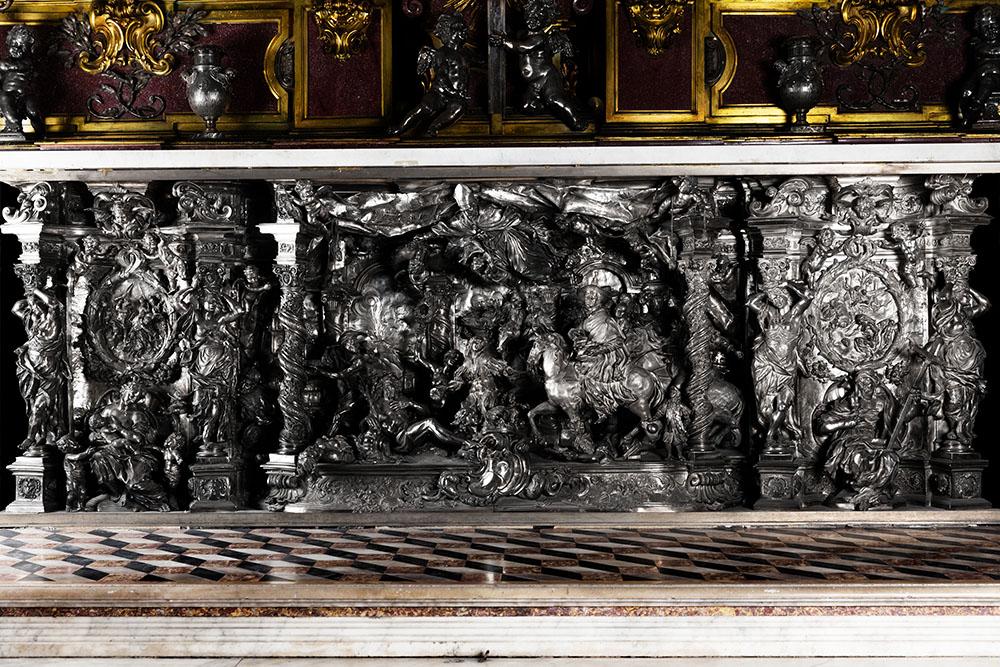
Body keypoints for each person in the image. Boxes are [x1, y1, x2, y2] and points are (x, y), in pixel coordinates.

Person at [489, 0, 587, 131]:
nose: (532, 18)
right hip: (534, 83)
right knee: (526, 106)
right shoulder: (521, 34)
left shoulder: (539, 38)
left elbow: (522, 47)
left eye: (538, 16)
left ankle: (576, 119)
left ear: (545, 19)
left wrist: (504, 41)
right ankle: (549, 108)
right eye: (529, 14)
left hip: (546, 77)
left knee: (554, 99)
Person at [388, 13, 471, 137]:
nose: (461, 35)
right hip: (439, 92)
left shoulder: (464, 54)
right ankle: (400, 128)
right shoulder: (442, 53)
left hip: (457, 96)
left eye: (462, 32)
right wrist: (452, 92)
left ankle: (433, 128)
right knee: (424, 107)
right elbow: (442, 79)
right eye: (457, 32)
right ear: (448, 33)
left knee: (459, 107)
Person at [0, 25, 42, 140]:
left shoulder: (28, 62)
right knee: (4, 98)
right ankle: (14, 126)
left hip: (26, 94)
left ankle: (40, 130)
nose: (16, 48)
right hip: (8, 93)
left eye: (21, 45)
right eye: (14, 44)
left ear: (30, 48)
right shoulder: (5, 62)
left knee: (33, 111)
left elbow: (19, 66)